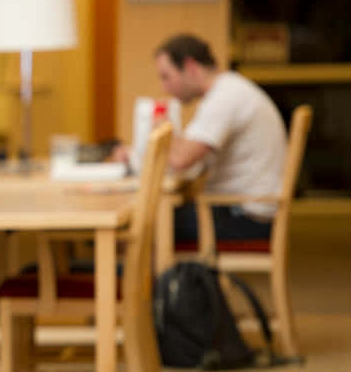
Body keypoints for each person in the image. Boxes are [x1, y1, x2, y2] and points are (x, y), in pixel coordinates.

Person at [112, 33, 288, 243]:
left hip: (245, 217)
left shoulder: (224, 98)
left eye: (166, 77)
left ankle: (129, 275)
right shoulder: (227, 90)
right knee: (156, 215)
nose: (164, 87)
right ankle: (139, 274)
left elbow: (180, 160)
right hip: (246, 211)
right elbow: (190, 158)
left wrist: (162, 126)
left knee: (146, 220)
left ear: (190, 67)